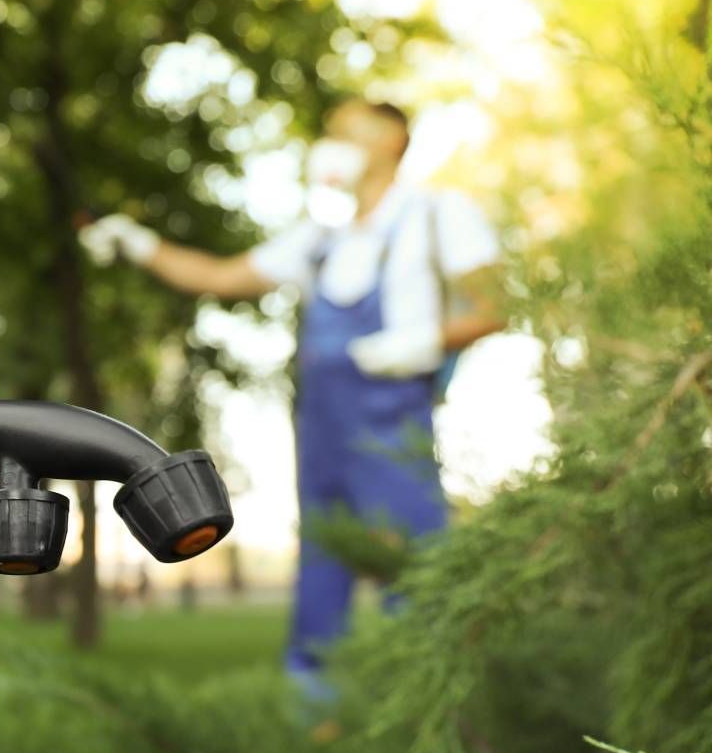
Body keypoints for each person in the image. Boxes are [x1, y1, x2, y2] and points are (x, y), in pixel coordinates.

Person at [80, 97, 505, 698]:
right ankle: (316, 721)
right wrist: (135, 242)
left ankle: (436, 716)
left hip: (394, 431)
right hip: (322, 436)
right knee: (321, 572)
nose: (331, 141)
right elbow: (221, 278)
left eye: (345, 130)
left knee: (417, 580)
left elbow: (492, 308)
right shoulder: (320, 240)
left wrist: (418, 342)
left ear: (390, 139)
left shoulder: (437, 214)